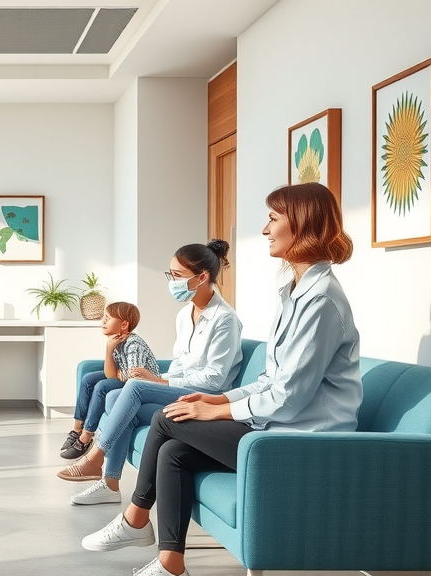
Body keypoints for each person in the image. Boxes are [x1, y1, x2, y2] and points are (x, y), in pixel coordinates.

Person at [81, 182, 361, 576]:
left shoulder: (321, 300)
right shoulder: (294, 291)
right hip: (279, 425)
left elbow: (290, 397)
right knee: (172, 452)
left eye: (272, 219)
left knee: (168, 418)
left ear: (301, 224)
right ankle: (169, 563)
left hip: (304, 440)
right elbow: (270, 378)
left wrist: (221, 410)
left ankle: (135, 519)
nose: (265, 230)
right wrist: (217, 401)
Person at [58, 241, 243, 508]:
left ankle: (95, 458)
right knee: (114, 399)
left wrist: (160, 381)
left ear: (201, 277)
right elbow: (181, 363)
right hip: (181, 391)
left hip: (206, 399)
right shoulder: (184, 315)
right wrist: (160, 378)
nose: (172, 282)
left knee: (133, 388)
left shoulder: (225, 320)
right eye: (170, 275)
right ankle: (110, 484)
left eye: (177, 276)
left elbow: (215, 379)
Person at [60, 302, 160, 459]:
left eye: (108, 318)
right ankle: (77, 430)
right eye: (103, 318)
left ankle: (86, 438)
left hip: (143, 384)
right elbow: (110, 373)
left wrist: (117, 374)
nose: (103, 322)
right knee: (88, 379)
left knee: (102, 386)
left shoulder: (134, 343)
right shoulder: (116, 340)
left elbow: (136, 375)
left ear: (124, 324)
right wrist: (109, 348)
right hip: (125, 377)